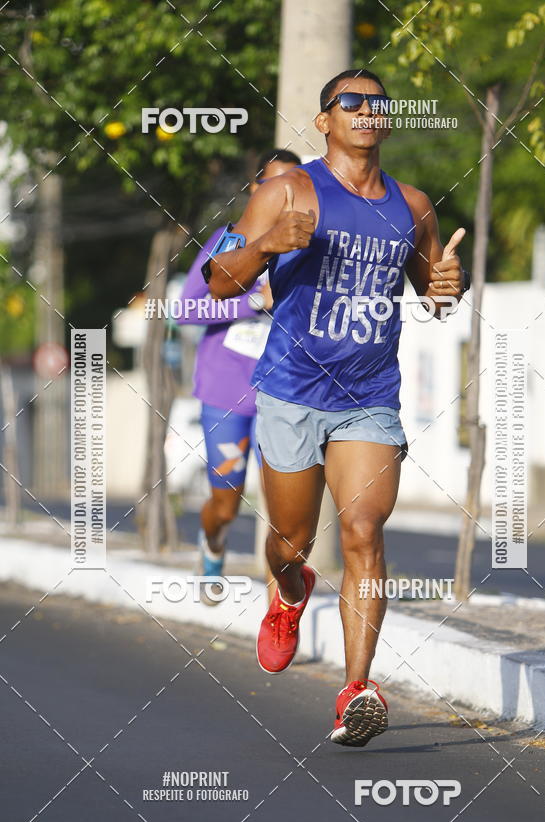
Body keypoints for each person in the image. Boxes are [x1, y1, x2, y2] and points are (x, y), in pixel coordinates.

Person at [205, 70, 466, 746]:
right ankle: (290, 589)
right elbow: (217, 281)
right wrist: (265, 245)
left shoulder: (411, 206)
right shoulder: (285, 192)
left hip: (369, 398)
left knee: (362, 533)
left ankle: (356, 689)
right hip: (292, 393)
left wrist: (448, 286)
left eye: (376, 102)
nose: (365, 110)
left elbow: (435, 293)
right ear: (324, 120)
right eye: (349, 101)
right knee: (290, 541)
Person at [178, 149, 301, 588]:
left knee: (287, 513)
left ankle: (280, 603)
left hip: (287, 396)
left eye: (294, 185)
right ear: (254, 189)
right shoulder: (229, 242)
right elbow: (187, 308)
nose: (283, 196)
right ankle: (212, 543)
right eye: (272, 185)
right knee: (225, 505)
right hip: (228, 393)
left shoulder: (309, 246)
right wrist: (252, 301)